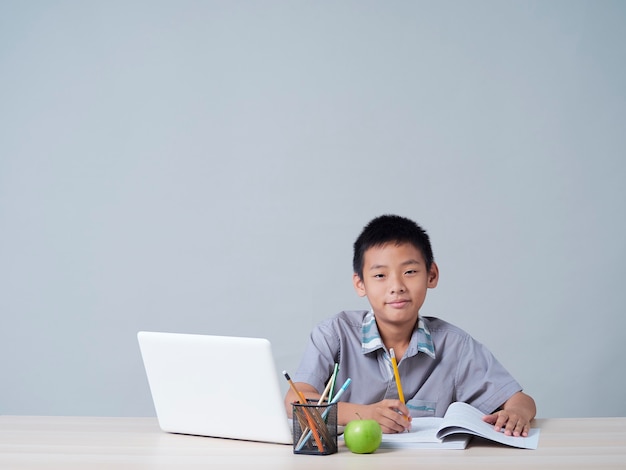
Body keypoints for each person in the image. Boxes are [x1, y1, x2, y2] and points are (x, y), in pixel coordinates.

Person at [284, 214, 536, 437]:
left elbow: (521, 400)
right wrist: (365, 414)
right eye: (380, 275)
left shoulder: (455, 346)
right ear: (360, 284)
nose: (397, 286)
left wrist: (516, 414)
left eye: (410, 272)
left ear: (432, 275)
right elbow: (295, 399)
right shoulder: (335, 334)